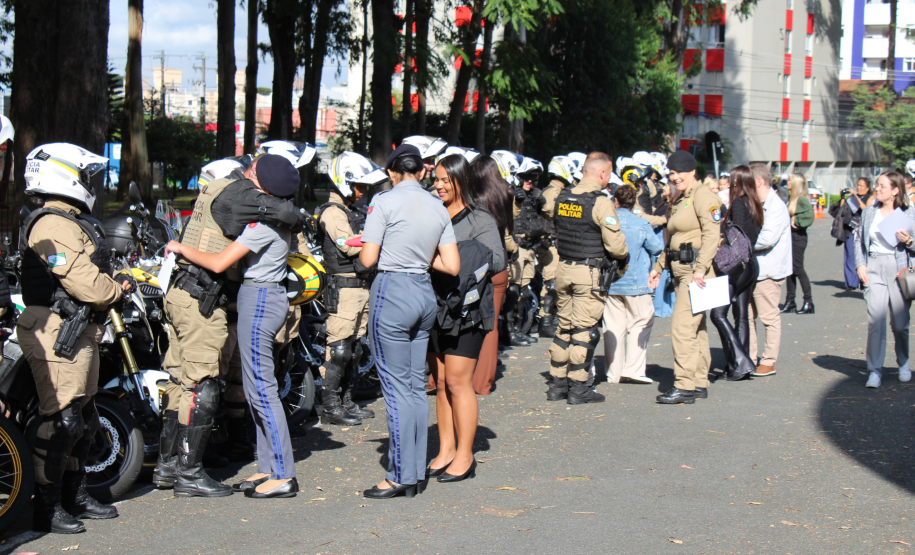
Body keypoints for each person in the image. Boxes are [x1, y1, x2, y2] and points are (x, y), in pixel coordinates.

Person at [153, 153, 307, 497]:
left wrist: (180, 247)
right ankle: (269, 468)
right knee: (255, 390)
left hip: (260, 298)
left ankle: (282, 473)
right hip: (262, 297)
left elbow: (221, 261)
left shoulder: (262, 225)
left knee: (262, 390)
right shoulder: (269, 219)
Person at [17, 144, 127, 534]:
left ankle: (74, 495)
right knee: (61, 420)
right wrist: (119, 289)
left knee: (83, 418)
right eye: (84, 175)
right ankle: (46, 507)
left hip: (79, 330)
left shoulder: (70, 220)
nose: (88, 183)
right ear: (65, 175)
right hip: (55, 330)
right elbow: (90, 286)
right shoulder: (52, 224)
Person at [359, 145, 460, 499]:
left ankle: (401, 474)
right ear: (421, 172)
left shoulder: (384, 201)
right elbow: (451, 265)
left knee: (396, 388)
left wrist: (369, 244)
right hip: (423, 291)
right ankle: (415, 472)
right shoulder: (437, 205)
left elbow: (368, 258)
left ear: (391, 173)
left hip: (393, 290)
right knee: (416, 386)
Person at [427, 154, 502, 483]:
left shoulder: (479, 218)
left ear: (462, 181)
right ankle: (446, 449)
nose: (439, 185)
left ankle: (465, 454)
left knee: (459, 382)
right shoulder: (432, 212)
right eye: (437, 179)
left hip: (467, 311)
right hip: (434, 306)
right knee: (441, 383)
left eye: (446, 180)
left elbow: (497, 260)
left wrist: (458, 255)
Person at [547, 152, 628, 404]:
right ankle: (579, 388)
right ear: (602, 174)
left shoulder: (562, 197)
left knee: (563, 328)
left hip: (564, 270)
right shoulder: (600, 202)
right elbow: (616, 247)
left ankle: (557, 385)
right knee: (584, 331)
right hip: (588, 273)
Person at [315, 152, 388, 426]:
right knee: (339, 349)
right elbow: (346, 244)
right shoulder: (333, 212)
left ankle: (346, 401)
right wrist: (378, 237)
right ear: (343, 182)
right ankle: (329, 407)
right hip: (344, 289)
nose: (361, 192)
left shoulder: (352, 211)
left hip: (361, 286)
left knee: (355, 349)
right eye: (358, 185)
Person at [648, 151, 721, 404]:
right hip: (681, 269)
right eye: (671, 173)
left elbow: (712, 235)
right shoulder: (683, 198)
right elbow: (674, 241)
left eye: (678, 172)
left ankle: (684, 386)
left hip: (695, 272)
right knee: (696, 329)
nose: (674, 177)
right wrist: (659, 266)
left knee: (681, 328)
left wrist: (700, 268)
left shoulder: (704, 197)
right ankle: (699, 382)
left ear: (692, 171)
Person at [854, 171, 915, 388]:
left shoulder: (909, 213)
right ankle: (874, 370)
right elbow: (859, 240)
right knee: (875, 321)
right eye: (877, 186)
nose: (877, 190)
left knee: (900, 324)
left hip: (899, 270)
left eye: (882, 187)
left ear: (896, 190)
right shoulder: (869, 212)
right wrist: (861, 265)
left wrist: (909, 242)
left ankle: (904, 363)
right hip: (874, 266)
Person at [602, 185, 664, 384]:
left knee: (613, 326)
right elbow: (657, 247)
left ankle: (613, 372)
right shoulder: (642, 223)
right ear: (634, 201)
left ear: (615, 201)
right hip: (636, 281)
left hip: (611, 282)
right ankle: (633, 368)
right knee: (641, 321)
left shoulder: (608, 222)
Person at [708, 166, 763, 381]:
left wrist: (722, 234)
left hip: (736, 265)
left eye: (731, 181)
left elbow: (736, 234)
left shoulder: (739, 203)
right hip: (751, 263)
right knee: (741, 315)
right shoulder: (755, 203)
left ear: (737, 182)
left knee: (717, 314)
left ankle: (740, 361)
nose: (728, 185)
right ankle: (739, 365)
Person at [470, 156, 515, 395]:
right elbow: (509, 229)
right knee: (491, 323)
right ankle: (483, 383)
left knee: (463, 321)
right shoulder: (505, 194)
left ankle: (454, 376)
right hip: (499, 266)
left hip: (472, 263)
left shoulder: (469, 198)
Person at [747, 164, 792, 378]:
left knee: (768, 317)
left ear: (759, 182)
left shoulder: (776, 207)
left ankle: (768, 361)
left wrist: (738, 243)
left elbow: (766, 239)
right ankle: (750, 357)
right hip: (752, 270)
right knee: (747, 316)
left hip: (768, 272)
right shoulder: (757, 203)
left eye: (748, 182)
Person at [537, 156, 578, 337]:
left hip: (559, 244)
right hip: (551, 245)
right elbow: (552, 214)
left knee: (558, 283)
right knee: (551, 282)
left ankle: (553, 317)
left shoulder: (560, 191)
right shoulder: (551, 192)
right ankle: (545, 320)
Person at [829, 178, 874, 290]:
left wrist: (855, 196)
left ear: (867, 188)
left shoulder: (869, 198)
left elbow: (866, 210)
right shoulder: (852, 197)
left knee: (860, 255)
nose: (858, 187)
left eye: (861, 186)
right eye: (858, 185)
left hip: (861, 229)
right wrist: (843, 197)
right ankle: (850, 282)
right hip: (849, 229)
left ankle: (861, 280)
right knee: (849, 255)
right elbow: (841, 209)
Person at [781, 173, 815, 314]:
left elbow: (809, 216)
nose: (787, 181)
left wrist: (796, 221)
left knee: (798, 269)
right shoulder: (793, 198)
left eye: (789, 180)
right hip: (791, 238)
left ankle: (808, 302)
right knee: (790, 271)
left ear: (795, 183)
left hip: (798, 238)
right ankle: (790, 301)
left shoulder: (801, 199)